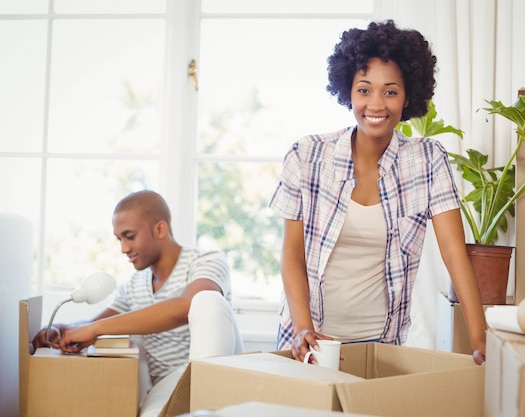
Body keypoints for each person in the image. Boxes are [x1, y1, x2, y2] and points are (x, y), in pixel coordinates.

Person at [269, 20, 487, 365]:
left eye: (390, 91)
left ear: (407, 96)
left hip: (380, 345)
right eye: (364, 89)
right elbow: (292, 255)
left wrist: (480, 341)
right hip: (310, 339)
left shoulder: (428, 161)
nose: (376, 104)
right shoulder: (307, 156)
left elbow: (454, 253)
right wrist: (303, 330)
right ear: (348, 91)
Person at [32, 189, 245, 416]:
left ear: (160, 229)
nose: (124, 248)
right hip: (168, 386)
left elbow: (187, 305)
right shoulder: (134, 285)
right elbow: (99, 323)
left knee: (207, 300)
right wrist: (61, 329)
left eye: (130, 236)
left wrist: (93, 329)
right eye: (119, 239)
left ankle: (207, 407)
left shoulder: (206, 260)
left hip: (219, 379)